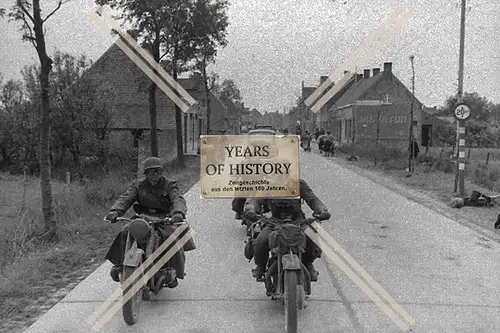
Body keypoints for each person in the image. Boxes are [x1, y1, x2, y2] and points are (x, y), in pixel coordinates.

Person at [103, 157, 195, 288]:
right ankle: (119, 264)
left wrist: (178, 213)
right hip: (143, 217)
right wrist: (115, 211)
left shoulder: (169, 185)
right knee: (125, 232)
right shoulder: (138, 185)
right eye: (151, 171)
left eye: (158, 171)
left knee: (172, 237)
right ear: (146, 173)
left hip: (164, 218)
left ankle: (174, 271)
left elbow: (177, 199)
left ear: (162, 171)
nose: (155, 174)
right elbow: (126, 198)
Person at [243, 179, 331, 282]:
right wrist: (250, 209)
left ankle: (307, 263)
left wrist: (322, 210)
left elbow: (313, 199)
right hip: (274, 222)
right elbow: (255, 200)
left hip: (298, 222)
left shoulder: (299, 184)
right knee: (260, 241)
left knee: (314, 239)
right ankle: (261, 266)